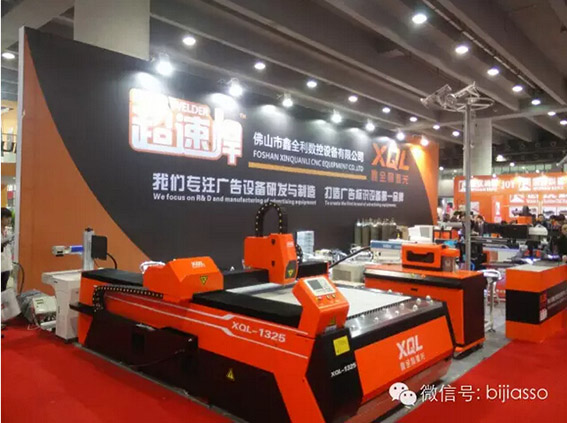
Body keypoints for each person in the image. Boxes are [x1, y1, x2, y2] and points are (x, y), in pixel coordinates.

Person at [1, 208, 14, 291]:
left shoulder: (7, 231)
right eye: (7, 217)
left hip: (6, 266)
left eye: (10, 217)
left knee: (3, 289)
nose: (9, 220)